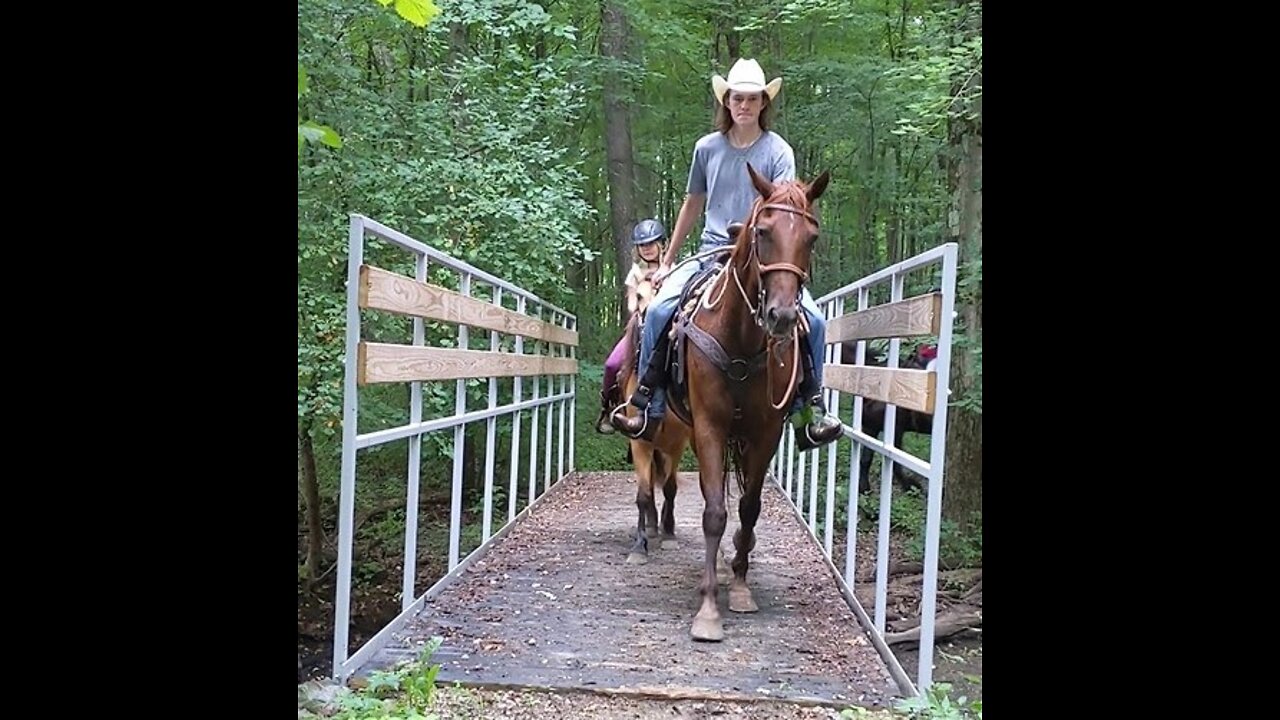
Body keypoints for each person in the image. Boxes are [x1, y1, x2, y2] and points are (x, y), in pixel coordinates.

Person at [608, 58, 843, 451]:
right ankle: (648, 402)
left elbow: (786, 211)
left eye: (753, 98)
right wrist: (667, 262)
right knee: (662, 309)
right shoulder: (707, 148)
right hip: (711, 252)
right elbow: (692, 204)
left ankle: (809, 410)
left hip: (762, 258)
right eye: (738, 98)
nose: (744, 105)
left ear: (763, 103)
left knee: (815, 321)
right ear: (727, 101)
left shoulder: (779, 151)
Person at [595, 219, 667, 434]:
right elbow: (631, 305)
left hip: (667, 329)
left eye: (651, 243)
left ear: (661, 244)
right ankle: (608, 407)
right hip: (641, 326)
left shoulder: (671, 269)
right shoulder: (635, 272)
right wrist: (642, 288)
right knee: (611, 364)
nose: (647, 248)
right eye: (643, 245)